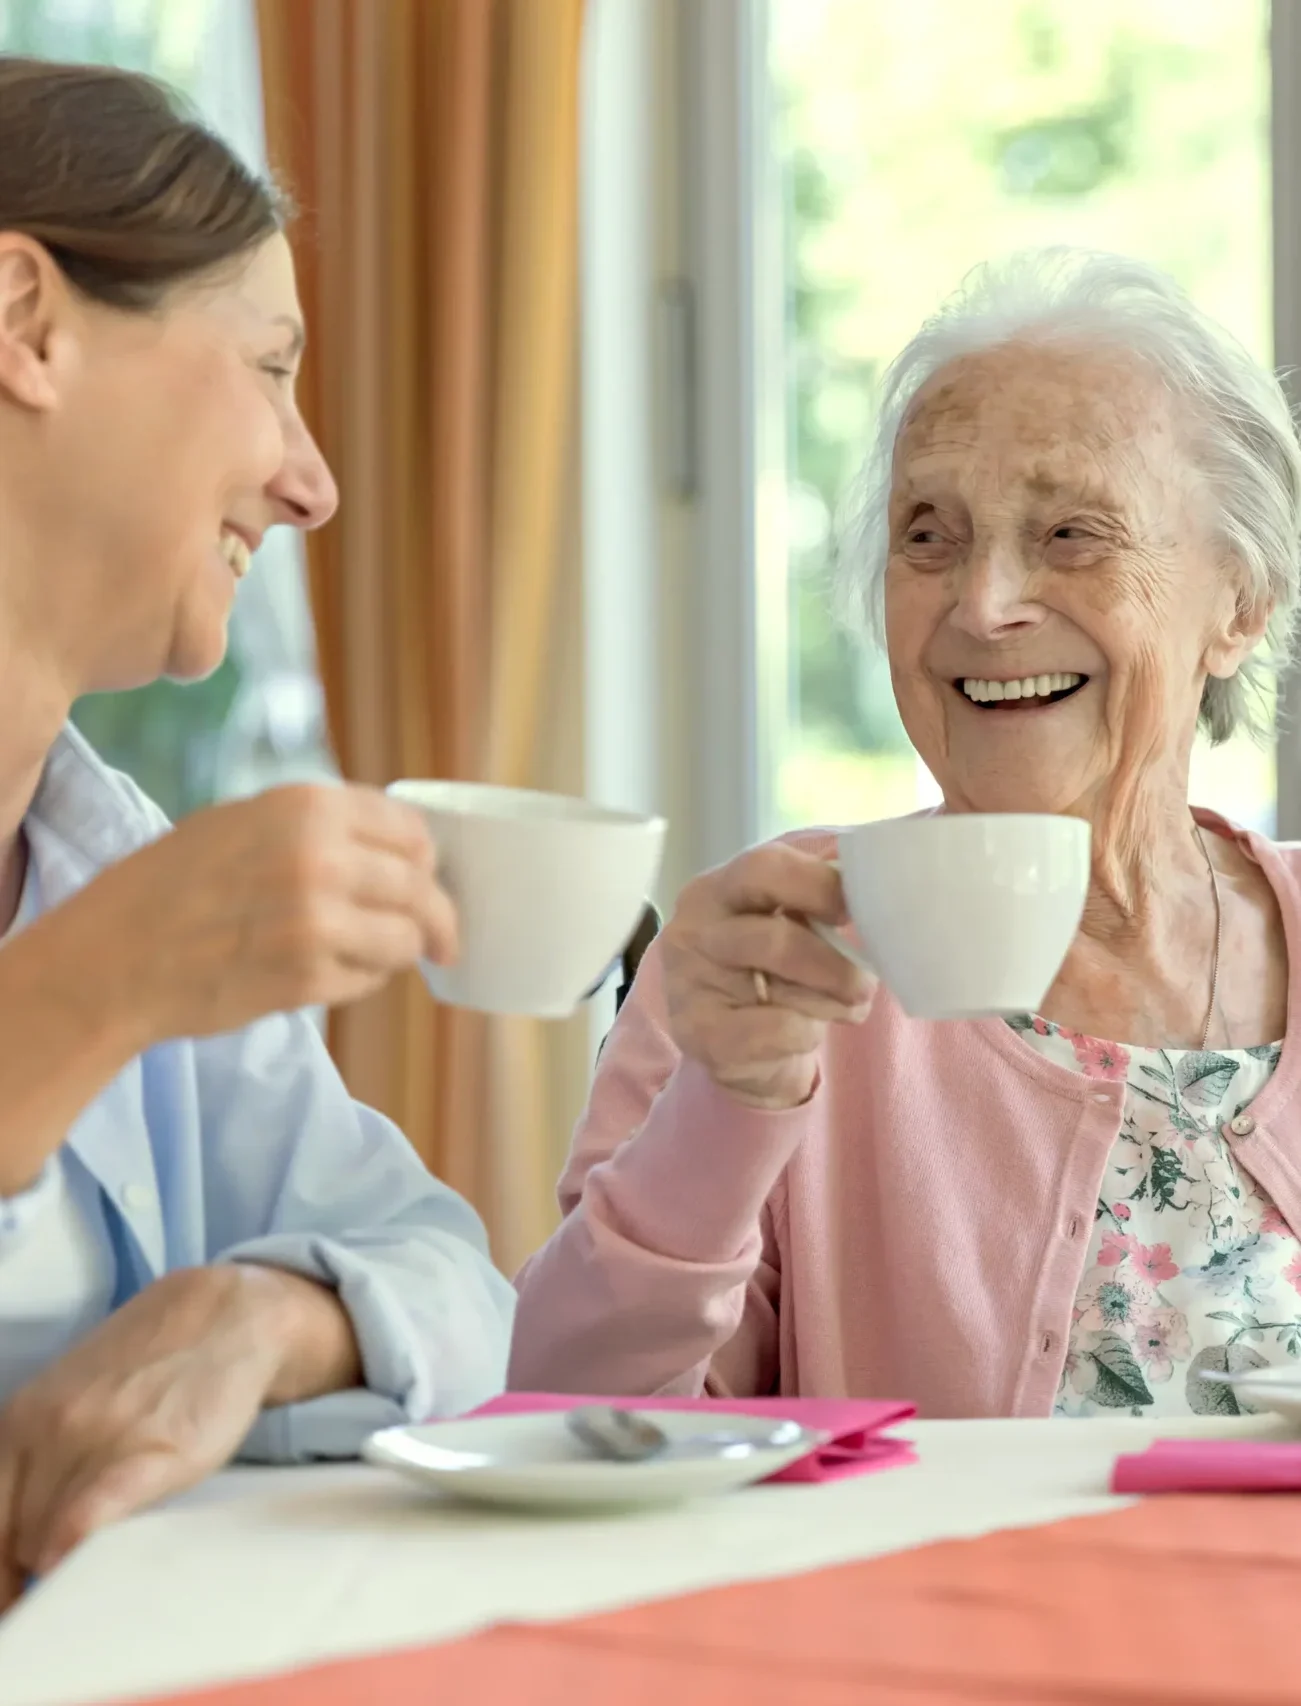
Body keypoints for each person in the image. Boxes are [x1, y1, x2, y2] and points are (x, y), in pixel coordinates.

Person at [512, 247, 1301, 1423]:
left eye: (1070, 533)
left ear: (1237, 603)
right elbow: (578, 1426)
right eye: (927, 535)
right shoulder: (774, 952)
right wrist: (728, 1101)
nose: (982, 604)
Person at [0, 55, 513, 1601]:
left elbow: (457, 1286)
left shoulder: (111, 851)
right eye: (272, 366)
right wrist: (93, 988)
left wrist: (262, 1319)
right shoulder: (137, 918)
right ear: (26, 323)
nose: (316, 482)